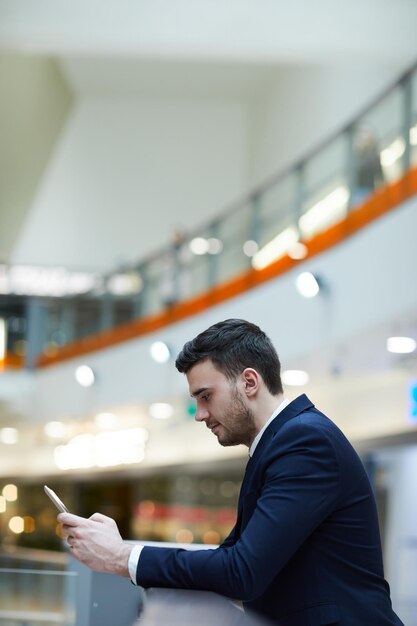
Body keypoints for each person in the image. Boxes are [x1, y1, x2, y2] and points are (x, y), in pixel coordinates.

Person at [59, 319, 403, 625]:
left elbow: (243, 572)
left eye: (206, 396)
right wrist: (121, 547)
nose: (199, 413)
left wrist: (123, 557)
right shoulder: (278, 444)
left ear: (249, 382)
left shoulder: (304, 442)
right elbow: (231, 560)